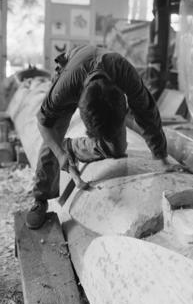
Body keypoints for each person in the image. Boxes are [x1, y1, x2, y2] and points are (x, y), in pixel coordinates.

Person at [26, 44, 179, 229]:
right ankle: (40, 198)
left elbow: (147, 112)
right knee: (53, 135)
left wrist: (161, 156)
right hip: (71, 67)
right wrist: (59, 154)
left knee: (116, 149)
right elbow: (43, 122)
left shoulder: (125, 73)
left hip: (106, 70)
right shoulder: (64, 88)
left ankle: (72, 148)